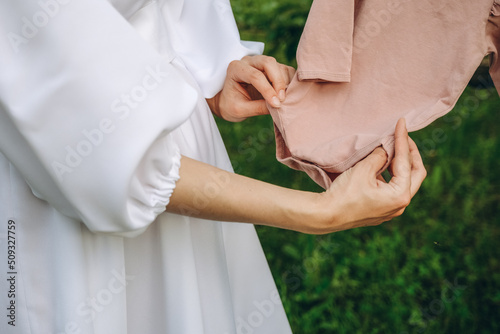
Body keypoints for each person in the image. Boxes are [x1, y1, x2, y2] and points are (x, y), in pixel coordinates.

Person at [0, 0, 426, 333]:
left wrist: (210, 71)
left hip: (178, 143)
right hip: (64, 182)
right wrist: (321, 212)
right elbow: (107, 157)